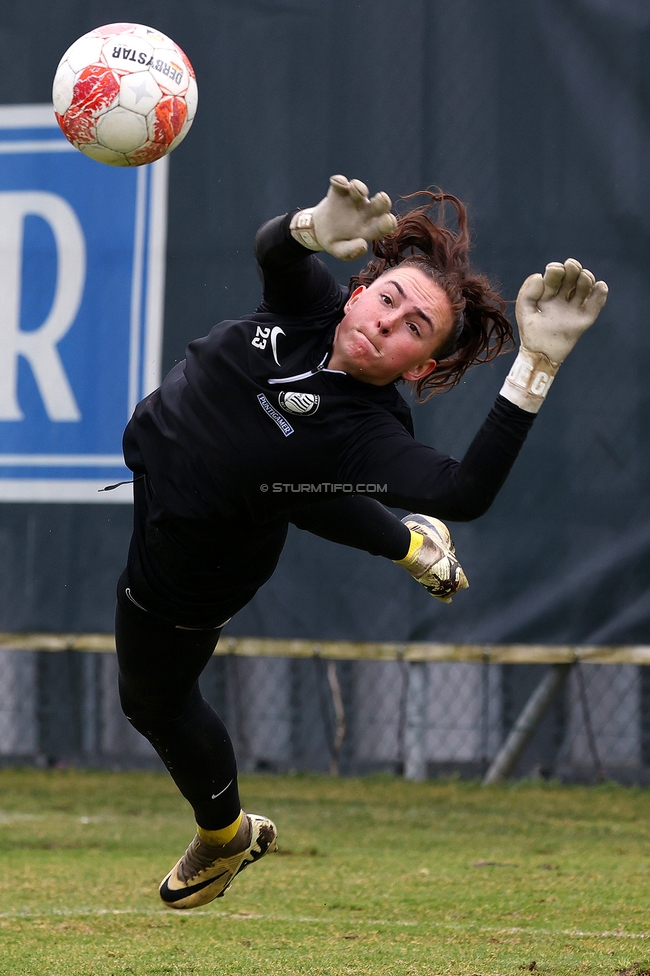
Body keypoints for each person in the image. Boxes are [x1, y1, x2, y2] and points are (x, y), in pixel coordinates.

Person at [115, 175, 608, 910]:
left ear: (421, 367)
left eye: (414, 327)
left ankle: (224, 836)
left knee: (152, 701)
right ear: (358, 292)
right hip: (193, 482)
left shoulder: (368, 432)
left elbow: (462, 492)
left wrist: (536, 366)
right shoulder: (308, 310)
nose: (388, 321)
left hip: (195, 566)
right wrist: (310, 225)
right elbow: (272, 252)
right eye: (388, 298)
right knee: (289, 479)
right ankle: (410, 547)